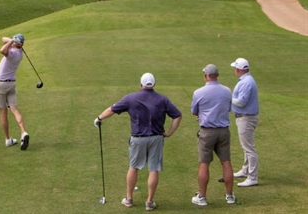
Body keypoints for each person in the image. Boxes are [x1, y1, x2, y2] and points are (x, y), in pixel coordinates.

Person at [94, 73, 182, 211]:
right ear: (154, 85)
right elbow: (177, 116)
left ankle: (129, 199)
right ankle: (149, 202)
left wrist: (99, 118)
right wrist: (169, 132)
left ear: (140, 85)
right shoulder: (162, 99)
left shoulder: (131, 98)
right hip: (157, 138)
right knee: (154, 169)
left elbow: (112, 110)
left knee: (133, 167)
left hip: (138, 139)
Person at [191, 64, 236, 206]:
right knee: (226, 162)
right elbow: (228, 108)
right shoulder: (227, 91)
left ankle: (202, 197)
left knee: (204, 164)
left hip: (207, 132)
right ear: (217, 75)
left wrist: (202, 115)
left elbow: (194, 111)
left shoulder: (199, 92)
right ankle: (229, 196)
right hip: (223, 131)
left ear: (206, 76)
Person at [0, 34, 30, 150]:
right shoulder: (20, 53)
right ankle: (23, 132)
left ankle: (8, 139)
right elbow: (3, 38)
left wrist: (11, 42)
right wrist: (13, 41)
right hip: (11, 84)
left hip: (1, 84)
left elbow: (2, 50)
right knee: (14, 109)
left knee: (3, 112)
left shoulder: (12, 53)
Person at [230, 57, 259, 187]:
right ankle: (246, 170)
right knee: (246, 147)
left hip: (246, 117)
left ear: (239, 70)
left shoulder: (246, 82)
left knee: (249, 149)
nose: (234, 70)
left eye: (235, 68)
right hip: (244, 117)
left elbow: (241, 102)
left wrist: (229, 98)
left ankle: (252, 177)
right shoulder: (245, 80)